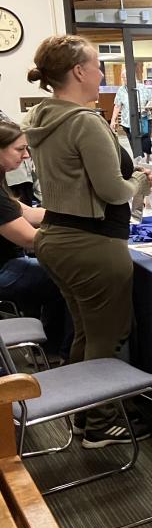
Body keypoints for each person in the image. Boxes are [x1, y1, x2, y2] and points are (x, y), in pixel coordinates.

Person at [24, 35, 152, 447]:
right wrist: (139, 179)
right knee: (108, 333)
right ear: (79, 71)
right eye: (97, 65)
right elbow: (113, 191)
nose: (101, 74)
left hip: (59, 238)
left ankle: (83, 414)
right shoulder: (83, 121)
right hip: (92, 242)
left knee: (86, 330)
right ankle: (100, 423)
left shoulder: (44, 118)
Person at [0, 121, 71, 359]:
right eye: (19, 149)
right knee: (70, 277)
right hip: (3, 269)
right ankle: (61, 353)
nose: (26, 155)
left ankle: (46, 348)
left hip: (9, 262)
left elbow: (30, 214)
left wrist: (78, 216)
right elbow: (30, 239)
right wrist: (81, 237)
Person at [110, 80, 152, 158]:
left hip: (143, 118)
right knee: (133, 143)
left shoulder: (142, 87)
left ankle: (148, 155)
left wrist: (147, 107)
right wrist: (113, 120)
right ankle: (139, 160)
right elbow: (117, 106)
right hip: (128, 121)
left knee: (146, 140)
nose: (124, 79)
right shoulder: (121, 90)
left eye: (125, 77)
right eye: (122, 77)